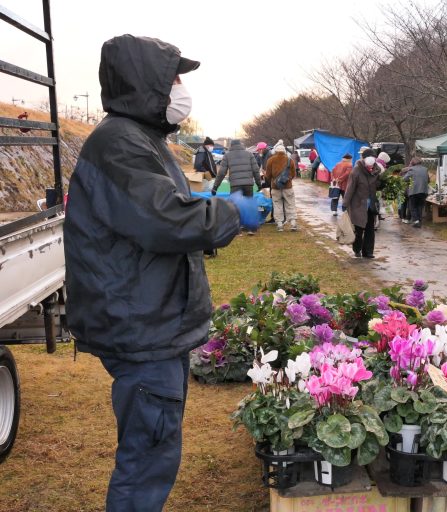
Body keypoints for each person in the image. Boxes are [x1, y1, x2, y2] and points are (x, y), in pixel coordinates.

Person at [63, 35, 241, 511]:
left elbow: (163, 210)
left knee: (154, 448)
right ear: (147, 84)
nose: (181, 88)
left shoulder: (140, 139)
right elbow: (163, 220)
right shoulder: (119, 142)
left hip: (150, 321)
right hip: (139, 326)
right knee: (146, 459)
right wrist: (230, 214)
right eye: (174, 78)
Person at [211, 139, 260, 234]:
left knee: (235, 206)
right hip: (248, 184)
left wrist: (215, 187)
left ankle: (238, 228)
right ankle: (250, 229)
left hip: (235, 185)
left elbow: (221, 173)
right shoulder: (249, 154)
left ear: (231, 146)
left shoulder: (227, 155)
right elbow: (256, 170)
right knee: (249, 205)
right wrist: (259, 184)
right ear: (241, 144)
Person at [344, 152, 381, 258]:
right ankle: (357, 249)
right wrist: (345, 203)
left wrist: (382, 185)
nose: (371, 165)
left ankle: (368, 251)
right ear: (364, 159)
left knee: (370, 229)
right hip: (358, 204)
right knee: (359, 229)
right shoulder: (356, 171)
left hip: (371, 205)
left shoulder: (376, 171)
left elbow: (378, 185)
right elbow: (350, 188)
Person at [265, 139, 298, 231]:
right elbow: (293, 174)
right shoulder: (289, 160)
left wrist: (272, 179)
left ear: (275, 151)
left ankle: (279, 225)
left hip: (275, 187)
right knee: (290, 204)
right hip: (288, 187)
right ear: (284, 151)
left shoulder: (270, 160)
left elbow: (268, 175)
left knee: (277, 205)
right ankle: (293, 223)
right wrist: (287, 180)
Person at [400, 157, 429, 228]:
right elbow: (428, 180)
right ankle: (419, 221)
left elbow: (404, 179)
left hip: (414, 191)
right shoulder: (425, 169)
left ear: (413, 163)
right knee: (420, 206)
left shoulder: (412, 169)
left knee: (412, 207)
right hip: (424, 191)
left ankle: (416, 221)